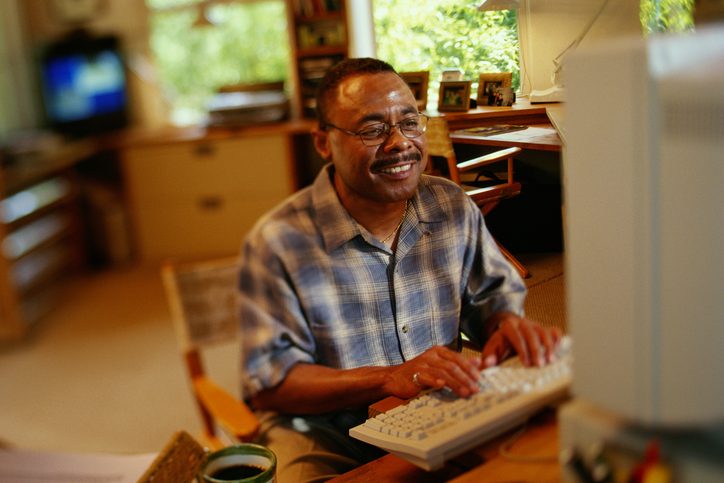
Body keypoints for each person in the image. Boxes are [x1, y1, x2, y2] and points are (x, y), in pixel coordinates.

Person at [237, 58, 562, 482]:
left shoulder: (450, 206)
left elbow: (492, 303)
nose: (399, 143)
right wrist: (389, 378)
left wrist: (508, 327)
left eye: (410, 122)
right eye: (372, 130)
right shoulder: (279, 242)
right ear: (323, 142)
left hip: (440, 408)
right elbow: (270, 385)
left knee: (555, 452)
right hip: (326, 432)